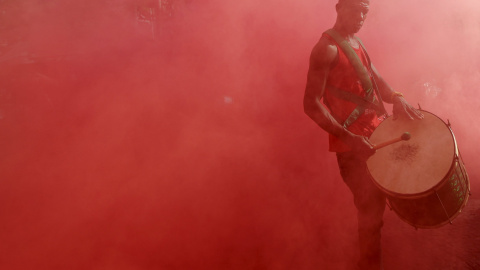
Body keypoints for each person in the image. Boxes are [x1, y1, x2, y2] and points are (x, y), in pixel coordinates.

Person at [303, 0, 423, 269]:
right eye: (355, 9)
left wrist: (396, 98)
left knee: (383, 208)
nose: (360, 17)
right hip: (353, 150)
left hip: (379, 136)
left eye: (364, 12)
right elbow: (310, 104)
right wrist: (349, 138)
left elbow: (375, 80)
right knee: (370, 215)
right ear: (339, 7)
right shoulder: (326, 49)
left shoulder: (357, 43)